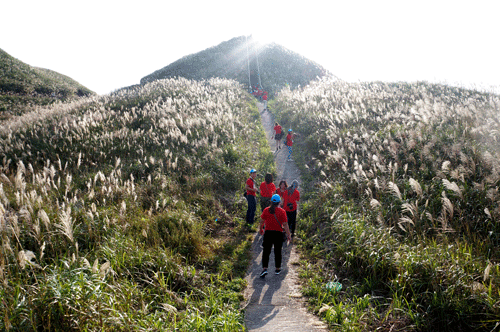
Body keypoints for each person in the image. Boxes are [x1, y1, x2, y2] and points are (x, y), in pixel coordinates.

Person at [259, 194, 291, 277]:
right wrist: (288, 234)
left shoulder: (266, 210)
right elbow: (285, 224)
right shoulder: (282, 211)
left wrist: (260, 229)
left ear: (271, 202)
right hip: (278, 234)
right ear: (279, 202)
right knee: (278, 251)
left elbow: (262, 221)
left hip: (268, 233)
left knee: (266, 251)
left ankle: (264, 269)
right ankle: (277, 269)